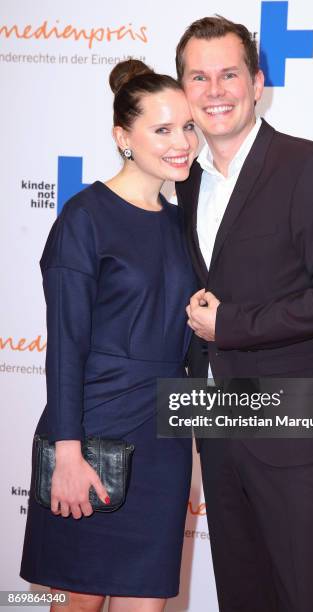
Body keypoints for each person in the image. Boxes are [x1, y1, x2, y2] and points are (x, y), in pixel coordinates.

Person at [175, 16, 313, 612]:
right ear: (182, 89)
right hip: (221, 430)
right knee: (243, 599)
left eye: (229, 74)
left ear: (257, 82)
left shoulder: (308, 166)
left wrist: (234, 324)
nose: (215, 91)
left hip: (302, 436)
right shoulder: (184, 182)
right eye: (199, 77)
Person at [20, 59, 198, 612]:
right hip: (94, 439)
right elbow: (66, 345)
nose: (182, 143)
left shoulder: (183, 221)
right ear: (123, 137)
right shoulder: (84, 216)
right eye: (162, 129)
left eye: (188, 126)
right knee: (77, 599)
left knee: (146, 603)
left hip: (163, 443)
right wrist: (68, 452)